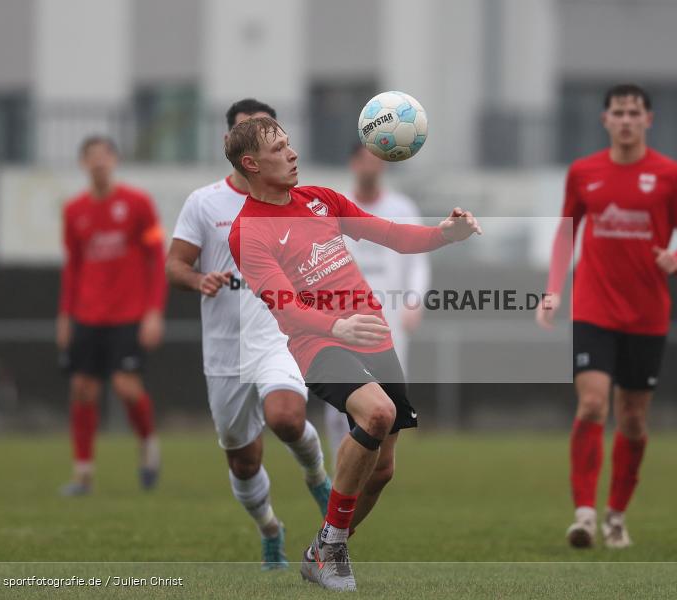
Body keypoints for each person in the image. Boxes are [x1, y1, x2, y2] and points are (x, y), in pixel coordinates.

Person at [225, 116, 481, 591]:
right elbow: (283, 303)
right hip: (319, 343)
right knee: (378, 413)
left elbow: (393, 235)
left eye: (289, 143)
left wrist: (445, 234)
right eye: (279, 148)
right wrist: (335, 325)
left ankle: (323, 546)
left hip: (374, 336)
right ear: (251, 164)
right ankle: (333, 550)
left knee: (382, 470)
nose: (292, 153)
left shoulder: (322, 199)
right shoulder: (248, 231)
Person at [537, 84, 677, 549]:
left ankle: (616, 516)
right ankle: (585, 515)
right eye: (618, 112)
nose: (626, 119)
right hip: (594, 307)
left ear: (648, 119)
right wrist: (553, 290)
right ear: (605, 119)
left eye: (635, 112)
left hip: (648, 315)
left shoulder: (671, 176)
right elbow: (565, 234)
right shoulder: (583, 172)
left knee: (632, 419)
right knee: (592, 403)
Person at [166, 99, 332, 570]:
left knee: (285, 416)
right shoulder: (204, 203)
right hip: (223, 348)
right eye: (246, 136)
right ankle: (271, 531)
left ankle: (318, 478)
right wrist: (199, 279)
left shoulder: (296, 199)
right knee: (243, 461)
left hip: (276, 336)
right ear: (231, 146)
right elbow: (175, 264)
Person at [57, 135, 166, 496]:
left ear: (115, 160)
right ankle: (83, 473)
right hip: (87, 314)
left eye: (104, 155)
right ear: (83, 164)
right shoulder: (74, 210)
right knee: (82, 389)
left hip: (129, 314)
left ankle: (149, 444)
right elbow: (72, 265)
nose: (98, 162)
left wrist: (153, 311)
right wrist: (65, 315)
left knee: (125, 386)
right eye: (91, 157)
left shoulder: (137, 203)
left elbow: (157, 258)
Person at [323, 144, 430, 465]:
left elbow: (419, 259)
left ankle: (374, 468)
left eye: (376, 161)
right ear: (353, 163)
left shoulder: (402, 208)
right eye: (364, 160)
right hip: (341, 318)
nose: (370, 167)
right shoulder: (333, 207)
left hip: (389, 318)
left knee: (388, 399)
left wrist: (414, 301)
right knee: (339, 400)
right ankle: (339, 469)